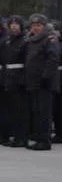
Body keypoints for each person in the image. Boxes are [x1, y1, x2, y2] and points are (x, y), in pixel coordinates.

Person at [24, 14, 60, 151]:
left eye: (38, 25)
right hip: (33, 81)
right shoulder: (32, 40)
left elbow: (53, 59)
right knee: (37, 111)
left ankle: (44, 140)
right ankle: (39, 138)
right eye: (33, 25)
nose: (36, 28)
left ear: (44, 26)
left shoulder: (49, 39)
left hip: (44, 82)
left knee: (44, 112)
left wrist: (46, 77)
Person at [1, 16, 28, 147]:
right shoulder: (6, 41)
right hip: (7, 79)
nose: (14, 26)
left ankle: (21, 138)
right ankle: (7, 136)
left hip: (19, 80)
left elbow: (28, 62)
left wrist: (23, 79)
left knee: (20, 111)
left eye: (17, 23)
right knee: (8, 110)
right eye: (11, 23)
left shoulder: (25, 41)